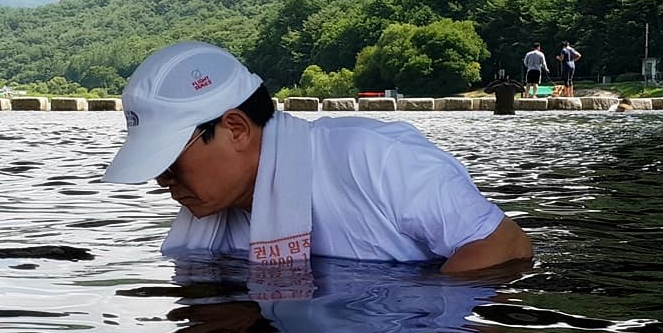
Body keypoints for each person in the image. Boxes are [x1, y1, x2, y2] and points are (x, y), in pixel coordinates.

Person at [102, 41, 533, 274]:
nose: (162, 180)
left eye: (170, 159)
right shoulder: (212, 227)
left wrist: (411, 319)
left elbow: (505, 245)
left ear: (234, 129)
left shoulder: (373, 158)